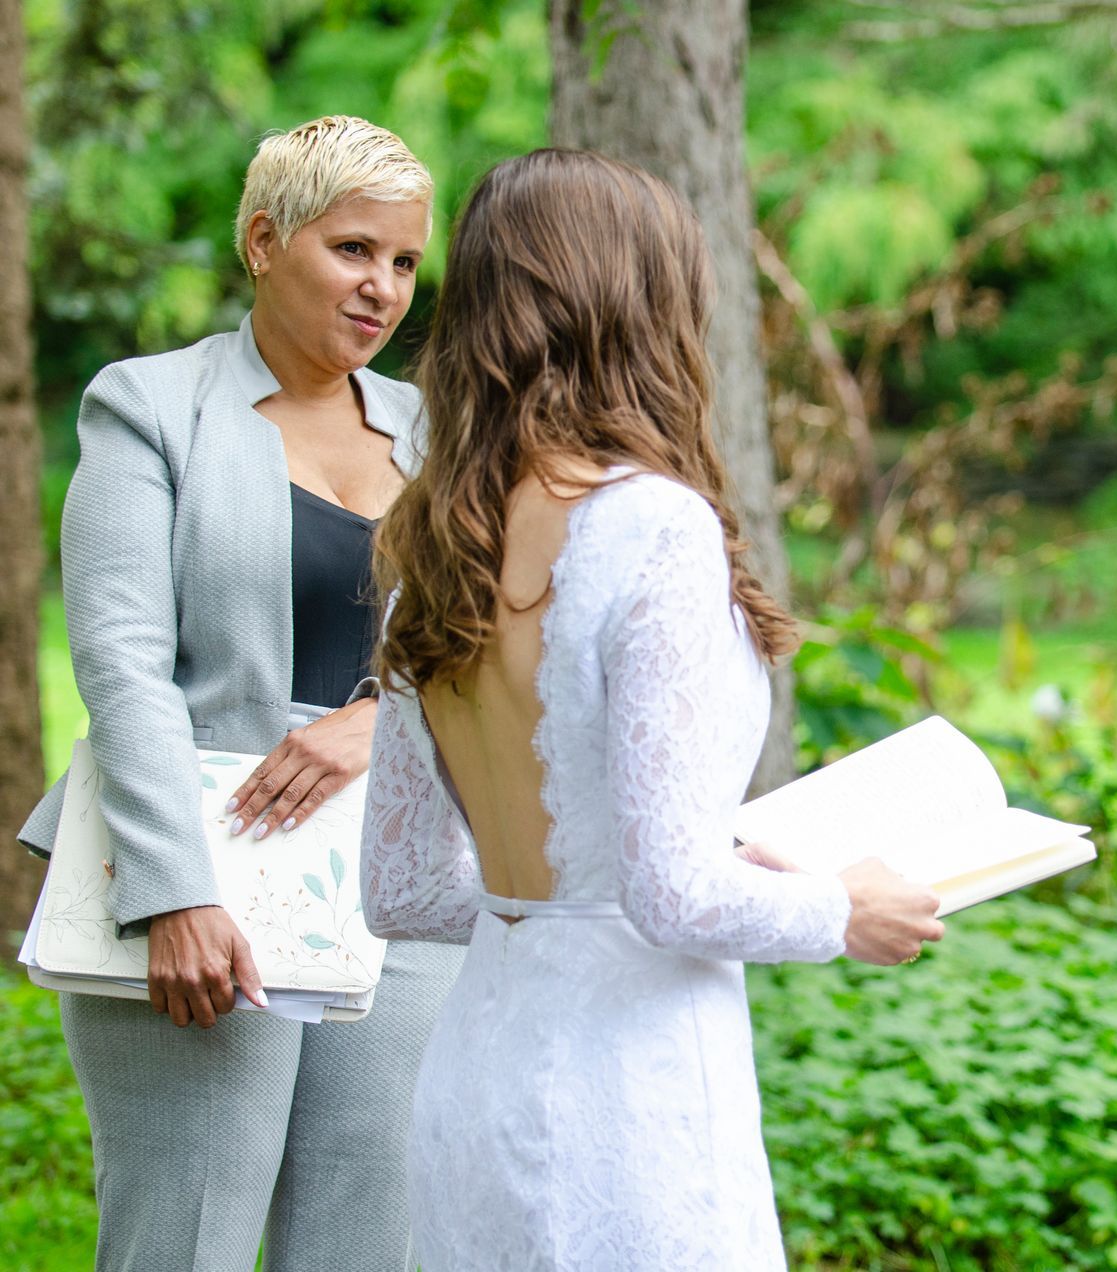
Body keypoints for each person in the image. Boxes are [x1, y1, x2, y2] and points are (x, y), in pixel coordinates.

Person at [359, 147, 945, 1271]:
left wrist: (585, 879)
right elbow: (670, 898)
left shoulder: (432, 544)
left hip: (475, 1079)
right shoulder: (653, 529)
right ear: (637, 308)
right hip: (628, 1098)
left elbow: (402, 889)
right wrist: (843, 912)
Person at [14, 115, 461, 1270]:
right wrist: (172, 892)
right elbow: (120, 661)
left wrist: (379, 721)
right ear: (265, 240)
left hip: (394, 881)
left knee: (368, 1235)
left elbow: (480, 645)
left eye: (405, 262)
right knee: (185, 1237)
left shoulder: (436, 432)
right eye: (353, 250)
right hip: (202, 869)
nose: (383, 289)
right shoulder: (149, 405)